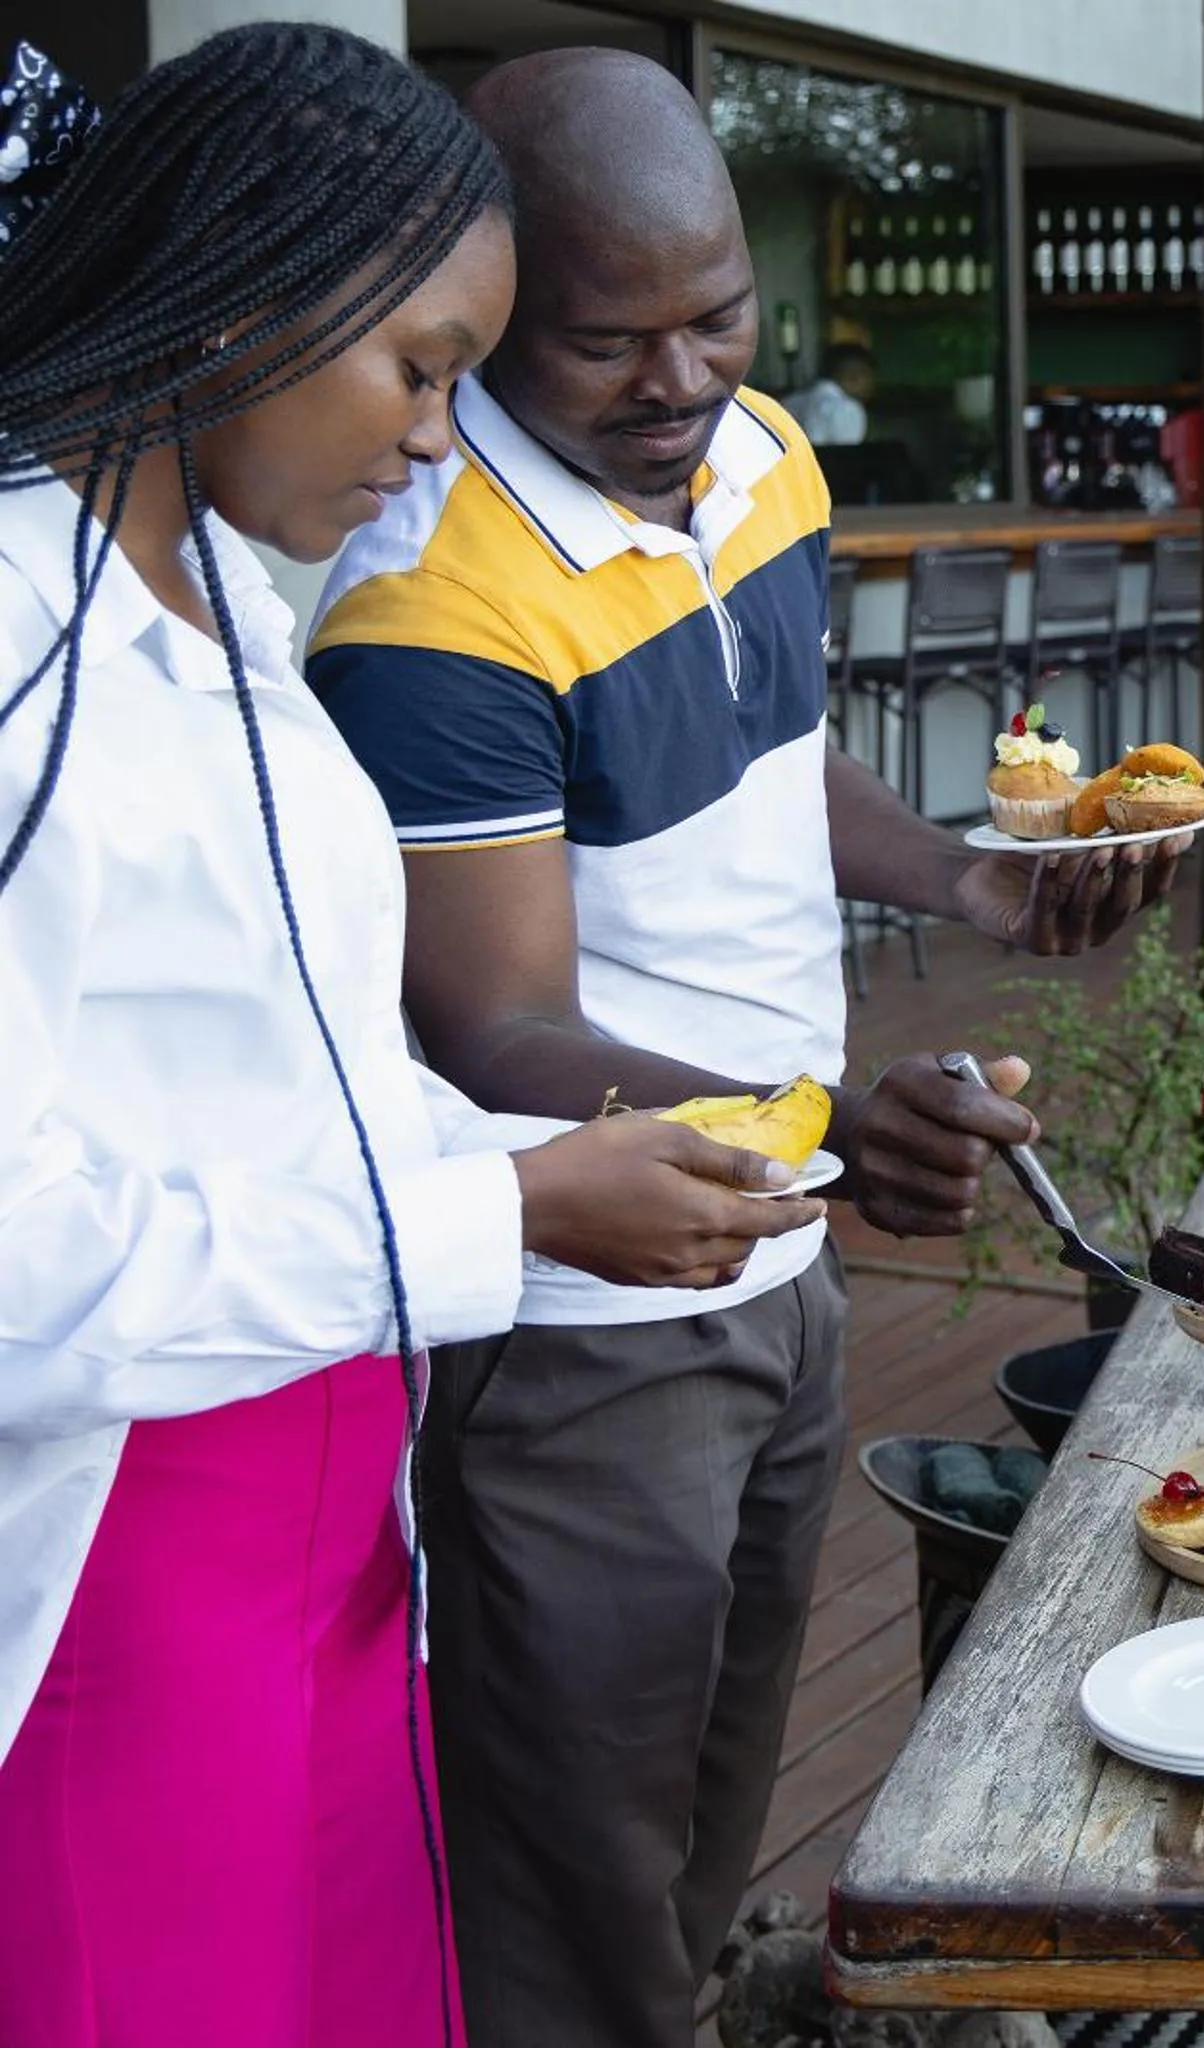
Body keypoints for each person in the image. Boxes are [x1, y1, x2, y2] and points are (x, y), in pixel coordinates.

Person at [303, 49, 1184, 2048]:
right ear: (494, 308)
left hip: (779, 1252)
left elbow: (785, 762)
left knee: (717, 1758)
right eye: (613, 342)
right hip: (576, 1308)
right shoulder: (429, 605)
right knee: (575, 1843)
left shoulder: (763, 455)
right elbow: (494, 1020)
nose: (683, 381)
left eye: (719, 315)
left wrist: (967, 883)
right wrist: (809, 1138)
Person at [0, 29, 823, 2048]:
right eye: (422, 368)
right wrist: (510, 1214)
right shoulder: (22, 656)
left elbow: (308, 1091)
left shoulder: (222, 614)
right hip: (123, 1568)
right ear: (236, 284)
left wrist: (517, 1185)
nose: (442, 445)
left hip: (330, 1523)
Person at [784, 339, 873, 447]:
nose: (871, 385)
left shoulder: (789, 402)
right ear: (854, 376)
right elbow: (847, 459)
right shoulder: (849, 409)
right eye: (868, 377)